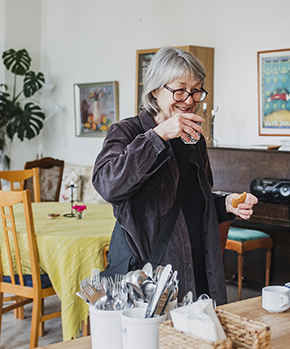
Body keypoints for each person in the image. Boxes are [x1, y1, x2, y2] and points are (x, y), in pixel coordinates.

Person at [93, 46, 256, 305]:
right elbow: (108, 185)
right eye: (179, 90)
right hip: (148, 277)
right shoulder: (127, 132)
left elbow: (193, 202)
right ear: (155, 90)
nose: (189, 99)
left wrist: (226, 204)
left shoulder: (194, 138)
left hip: (198, 267)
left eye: (196, 90)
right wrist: (157, 137)